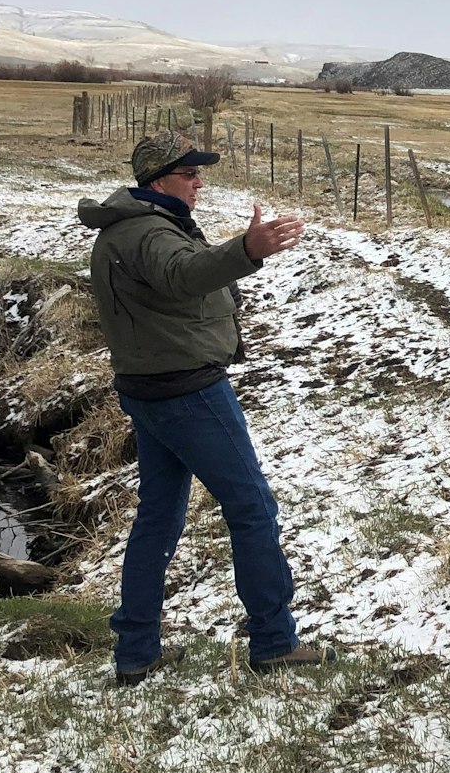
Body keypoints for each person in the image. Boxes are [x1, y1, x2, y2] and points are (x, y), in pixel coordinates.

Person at [79, 131, 328, 685]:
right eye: (189, 173)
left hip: (149, 388)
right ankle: (273, 642)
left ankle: (136, 650)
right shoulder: (147, 232)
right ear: (158, 180)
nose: (199, 183)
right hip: (187, 392)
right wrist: (248, 250)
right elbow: (183, 274)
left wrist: (239, 253)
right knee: (252, 507)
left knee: (158, 518)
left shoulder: (136, 226)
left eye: (199, 174)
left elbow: (178, 281)